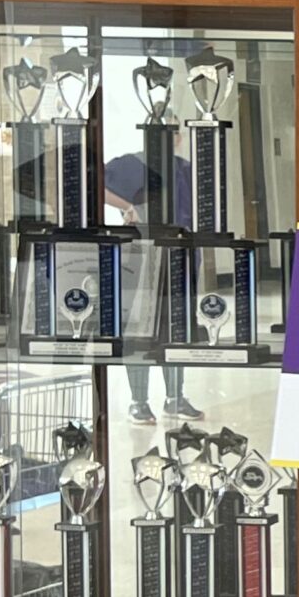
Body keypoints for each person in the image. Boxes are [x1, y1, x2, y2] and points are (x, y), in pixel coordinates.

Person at [102, 151, 201, 425]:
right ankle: (139, 401)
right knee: (138, 328)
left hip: (181, 254)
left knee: (176, 328)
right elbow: (95, 184)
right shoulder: (132, 164)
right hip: (143, 252)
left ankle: (175, 398)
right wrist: (128, 207)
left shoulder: (186, 167)